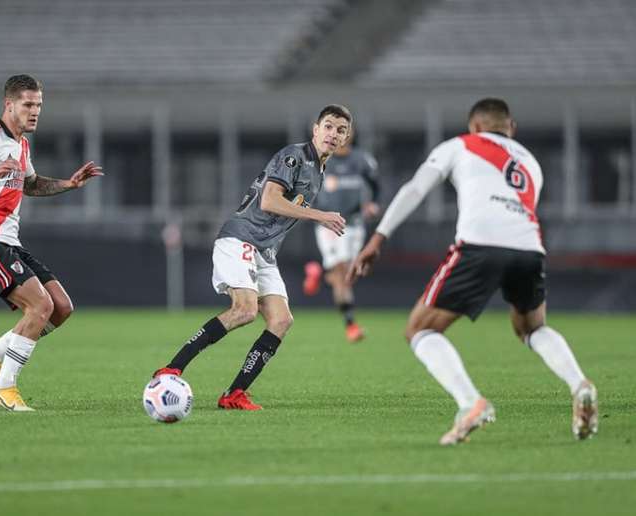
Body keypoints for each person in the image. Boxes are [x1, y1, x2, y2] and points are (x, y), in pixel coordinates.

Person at [348, 98, 598, 445]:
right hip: (530, 248)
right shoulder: (530, 162)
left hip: (480, 246)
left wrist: (378, 238)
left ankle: (470, 403)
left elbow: (416, 188)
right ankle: (579, 384)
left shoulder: (460, 145)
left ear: (475, 127)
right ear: (511, 128)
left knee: (419, 329)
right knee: (532, 327)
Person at [153, 105, 352, 410]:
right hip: (240, 238)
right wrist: (320, 215)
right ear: (315, 129)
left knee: (281, 320)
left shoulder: (320, 170)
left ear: (346, 137)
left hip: (264, 251)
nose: (333, 134)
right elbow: (270, 200)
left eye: (340, 130)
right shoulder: (295, 156)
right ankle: (172, 368)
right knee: (244, 310)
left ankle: (234, 394)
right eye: (328, 126)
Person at [0, 74, 103, 411]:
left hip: (8, 241)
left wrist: (68, 184)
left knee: (61, 308)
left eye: (38, 105)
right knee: (40, 306)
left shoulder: (20, 144)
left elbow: (30, 184)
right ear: (9, 104)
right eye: (28, 104)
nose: (35, 111)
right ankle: (5, 387)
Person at [302, 130, 380, 342]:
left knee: (345, 277)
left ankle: (319, 272)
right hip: (329, 224)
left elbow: (375, 186)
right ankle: (351, 325)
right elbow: (308, 187)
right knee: (342, 273)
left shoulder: (363, 159)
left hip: (354, 223)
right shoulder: (320, 159)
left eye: (345, 129)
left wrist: (372, 204)